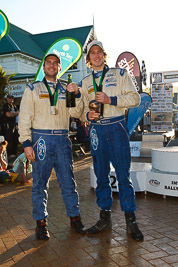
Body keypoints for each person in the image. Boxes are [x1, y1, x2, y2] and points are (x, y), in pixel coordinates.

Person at [71, 40, 144, 241]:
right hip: (96, 131)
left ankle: (131, 220)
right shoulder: (85, 83)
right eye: (92, 53)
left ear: (104, 55)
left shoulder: (119, 74)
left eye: (99, 52)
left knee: (123, 175)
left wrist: (111, 100)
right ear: (88, 59)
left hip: (116, 125)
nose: (96, 55)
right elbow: (79, 113)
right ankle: (105, 218)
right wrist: (87, 116)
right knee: (101, 176)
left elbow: (135, 99)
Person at [18, 52, 85, 240]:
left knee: (68, 183)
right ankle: (41, 223)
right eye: (49, 62)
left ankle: (75, 217)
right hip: (41, 139)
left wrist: (77, 94)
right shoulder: (33, 88)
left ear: (59, 67)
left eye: (56, 63)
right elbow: (24, 117)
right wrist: (26, 143)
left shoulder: (66, 90)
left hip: (62, 139)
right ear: (44, 65)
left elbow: (77, 113)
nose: (52, 65)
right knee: (39, 184)